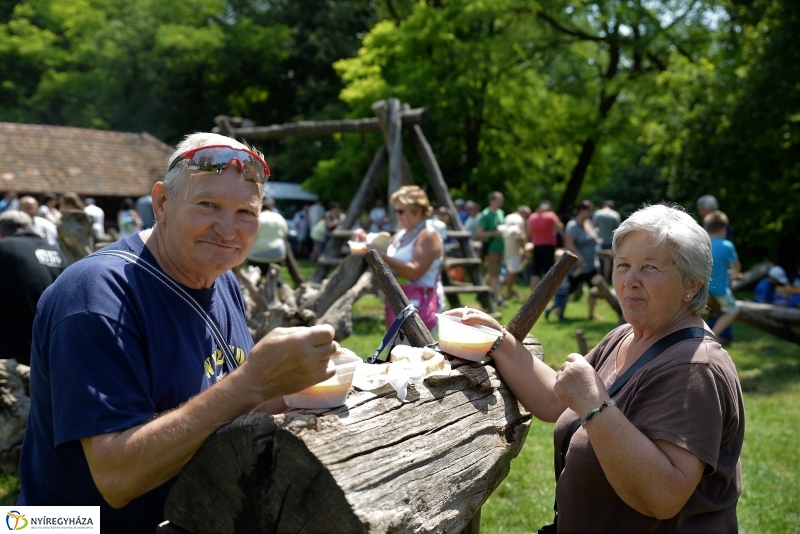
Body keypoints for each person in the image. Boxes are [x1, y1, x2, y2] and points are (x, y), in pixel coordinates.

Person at [18, 133, 337, 532]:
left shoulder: (221, 280)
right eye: (207, 204)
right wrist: (251, 383)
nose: (227, 229)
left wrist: (299, 383)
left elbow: (223, 401)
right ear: (162, 203)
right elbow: (116, 478)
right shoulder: (95, 295)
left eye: (246, 212)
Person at [447, 203, 744, 532]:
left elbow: (663, 497)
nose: (630, 280)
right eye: (623, 265)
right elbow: (555, 400)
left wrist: (594, 404)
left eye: (649, 268)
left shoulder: (695, 367)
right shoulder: (626, 335)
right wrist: (499, 342)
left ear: (693, 285)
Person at [367, 185, 443, 331]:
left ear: (418, 210)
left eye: (401, 211)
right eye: (396, 211)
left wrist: (380, 256)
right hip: (400, 302)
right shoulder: (403, 234)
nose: (397, 215)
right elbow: (383, 248)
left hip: (422, 304)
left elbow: (414, 272)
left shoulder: (428, 235)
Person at [0, 210, 68, 365]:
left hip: (16, 356)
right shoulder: (57, 252)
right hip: (56, 352)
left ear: (2, 232)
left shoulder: (4, 248)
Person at [705, 211, 740, 339]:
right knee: (733, 310)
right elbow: (735, 266)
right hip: (719, 291)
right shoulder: (726, 246)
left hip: (701, 288)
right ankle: (713, 334)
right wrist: (735, 275)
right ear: (724, 229)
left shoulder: (703, 243)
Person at [564, 200, 599, 319]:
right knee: (569, 290)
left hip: (591, 264)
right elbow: (569, 244)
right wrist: (580, 257)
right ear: (582, 210)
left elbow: (591, 237)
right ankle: (558, 311)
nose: (591, 213)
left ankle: (591, 314)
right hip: (578, 265)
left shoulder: (588, 222)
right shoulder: (572, 225)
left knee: (595, 289)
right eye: (589, 210)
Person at [527, 200, 564, 291]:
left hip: (536, 245)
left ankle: (532, 294)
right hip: (548, 246)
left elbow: (528, 232)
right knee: (548, 270)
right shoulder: (551, 215)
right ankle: (546, 292)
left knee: (535, 270)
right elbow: (560, 228)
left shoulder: (532, 217)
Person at [477, 192, 506, 307]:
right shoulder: (485, 214)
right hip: (491, 248)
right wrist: (494, 233)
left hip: (500, 247)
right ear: (492, 201)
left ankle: (480, 292)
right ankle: (499, 298)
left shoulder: (501, 213)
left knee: (492, 272)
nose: (501, 202)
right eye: (499, 200)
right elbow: (480, 233)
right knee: (495, 275)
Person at [247, 197, 288, 267]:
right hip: (278, 255)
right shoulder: (279, 217)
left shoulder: (258, 218)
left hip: (257, 256)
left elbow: (251, 237)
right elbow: (284, 234)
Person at [502, 205, 530, 299]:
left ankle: (506, 290)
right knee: (512, 271)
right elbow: (518, 235)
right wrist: (524, 249)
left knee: (508, 269)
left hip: (505, 246)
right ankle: (509, 292)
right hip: (514, 248)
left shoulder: (508, 217)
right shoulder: (519, 219)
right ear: (523, 213)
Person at [592, 200, 621, 281]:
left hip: (598, 241)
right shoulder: (615, 214)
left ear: (604, 205)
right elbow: (617, 229)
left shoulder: (598, 213)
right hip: (610, 241)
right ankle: (605, 279)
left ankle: (595, 278)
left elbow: (594, 227)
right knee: (607, 261)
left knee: (595, 259)